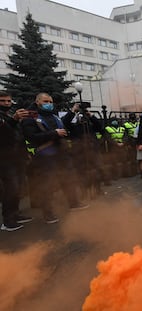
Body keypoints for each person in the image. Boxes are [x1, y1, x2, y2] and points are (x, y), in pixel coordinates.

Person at [22, 93, 88, 224]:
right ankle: (48, 213)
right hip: (44, 156)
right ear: (37, 102)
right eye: (46, 101)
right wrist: (54, 133)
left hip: (61, 154)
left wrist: (71, 112)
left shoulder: (54, 116)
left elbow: (63, 125)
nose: (49, 103)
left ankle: (74, 203)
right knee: (47, 185)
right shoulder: (31, 117)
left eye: (50, 101)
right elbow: (32, 137)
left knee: (69, 179)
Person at [0, 91, 33, 231]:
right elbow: (4, 134)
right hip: (5, 160)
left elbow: (18, 137)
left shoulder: (9, 115)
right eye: (3, 101)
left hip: (18, 158)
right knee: (10, 189)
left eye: (9, 101)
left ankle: (16, 214)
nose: (7, 103)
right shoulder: (7, 117)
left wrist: (25, 154)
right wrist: (14, 120)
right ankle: (7, 221)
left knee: (18, 188)